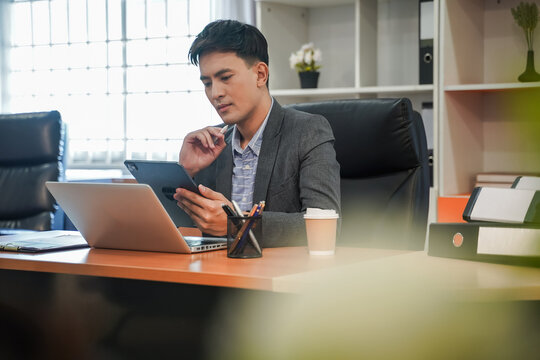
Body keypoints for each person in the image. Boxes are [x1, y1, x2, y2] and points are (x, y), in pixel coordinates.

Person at [173, 19, 340, 247]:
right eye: (207, 83)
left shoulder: (308, 132)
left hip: (278, 277)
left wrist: (238, 223)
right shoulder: (209, 146)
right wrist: (185, 172)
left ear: (261, 75)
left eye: (225, 77)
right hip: (216, 273)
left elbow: (325, 225)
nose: (215, 93)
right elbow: (178, 228)